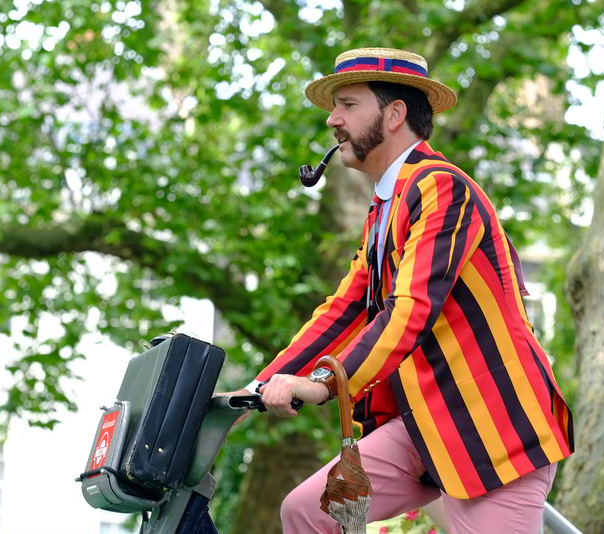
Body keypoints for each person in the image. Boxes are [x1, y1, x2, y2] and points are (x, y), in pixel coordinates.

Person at [241, 47, 575, 534]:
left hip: (490, 428)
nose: (332, 118)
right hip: (423, 424)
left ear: (394, 113)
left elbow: (409, 311)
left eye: (349, 104)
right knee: (306, 511)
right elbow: (344, 309)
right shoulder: (386, 208)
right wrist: (254, 389)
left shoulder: (443, 188)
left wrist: (325, 383)